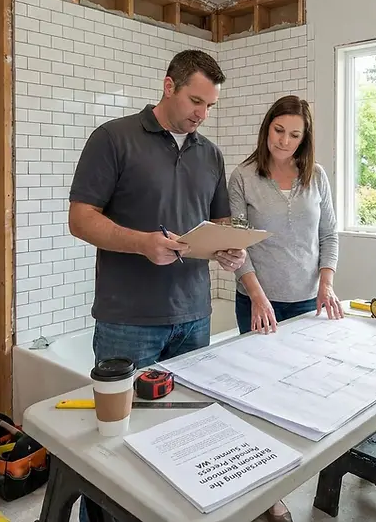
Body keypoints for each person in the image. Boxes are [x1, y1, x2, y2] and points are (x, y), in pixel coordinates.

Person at [68, 49, 247, 522]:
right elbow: (81, 220)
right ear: (168, 86)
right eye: (195, 101)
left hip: (194, 317)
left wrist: (231, 249)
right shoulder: (113, 138)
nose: (201, 114)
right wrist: (141, 243)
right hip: (128, 320)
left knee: (184, 434)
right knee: (113, 445)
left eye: (209, 106)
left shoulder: (210, 153)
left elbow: (220, 222)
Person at [227, 94, 342, 521]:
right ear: (267, 128)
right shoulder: (242, 177)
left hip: (309, 304)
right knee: (260, 400)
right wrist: (256, 295)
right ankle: (267, 496)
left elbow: (329, 235)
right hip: (259, 303)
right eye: (279, 131)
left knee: (300, 399)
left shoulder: (317, 177)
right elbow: (237, 244)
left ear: (304, 137)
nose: (285, 141)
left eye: (295, 134)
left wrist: (326, 284)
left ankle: (286, 474)